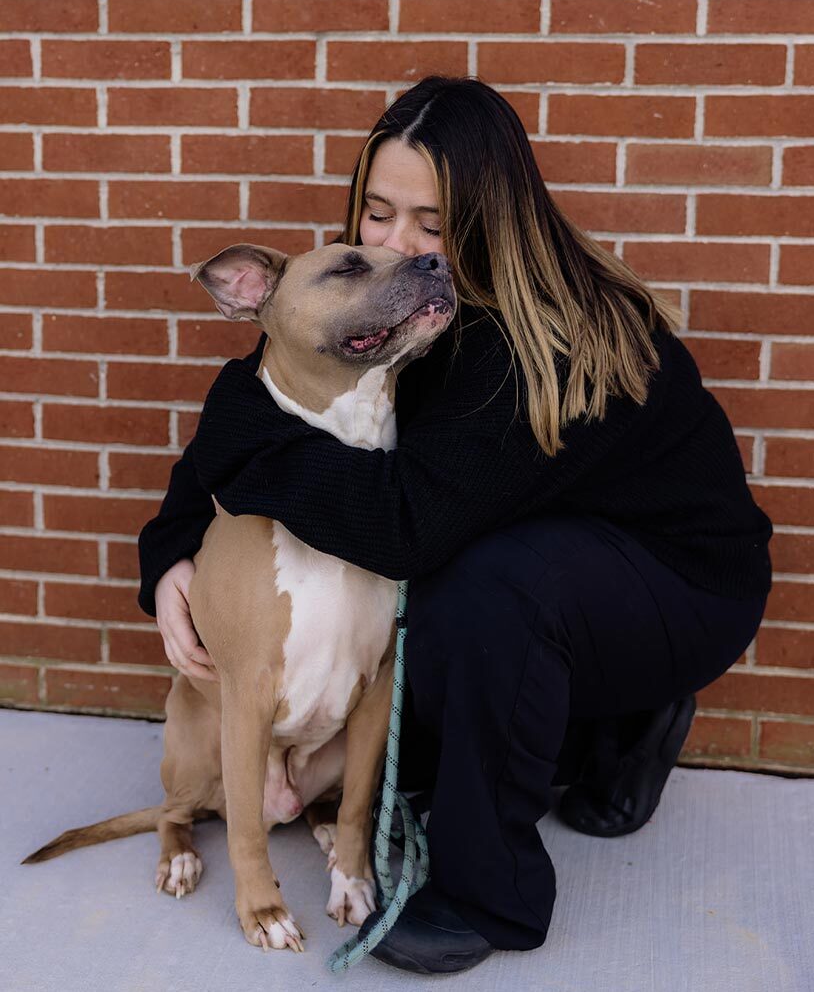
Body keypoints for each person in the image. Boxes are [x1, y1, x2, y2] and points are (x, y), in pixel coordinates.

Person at [137, 75, 772, 976]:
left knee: (475, 586)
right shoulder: (393, 308)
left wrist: (247, 449)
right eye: (379, 214)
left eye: (434, 226)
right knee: (432, 616)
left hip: (680, 586)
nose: (402, 246)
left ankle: (492, 887)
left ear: (493, 220)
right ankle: (569, 725)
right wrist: (170, 555)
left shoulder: (537, 340)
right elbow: (259, 401)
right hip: (557, 562)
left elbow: (397, 525)